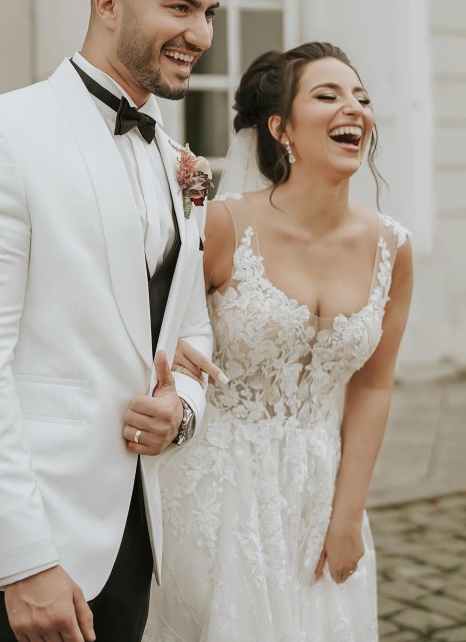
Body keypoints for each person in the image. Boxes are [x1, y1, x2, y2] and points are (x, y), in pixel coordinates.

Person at [0, 0, 220, 642]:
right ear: (106, 3)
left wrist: (183, 413)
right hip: (26, 536)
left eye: (208, 12)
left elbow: (192, 330)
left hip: (135, 528)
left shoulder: (178, 161)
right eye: (179, 7)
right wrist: (24, 560)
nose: (201, 33)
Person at [144, 42, 413, 642]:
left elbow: (373, 385)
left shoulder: (393, 248)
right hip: (216, 490)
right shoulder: (223, 225)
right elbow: (153, 332)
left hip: (321, 488)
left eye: (362, 99)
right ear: (281, 128)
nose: (355, 109)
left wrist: (347, 514)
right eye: (328, 95)